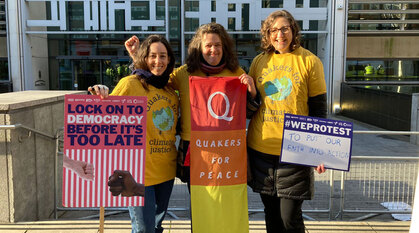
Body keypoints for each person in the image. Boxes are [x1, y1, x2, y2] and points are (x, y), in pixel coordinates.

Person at [124, 23, 247, 186]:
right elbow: (155, 79)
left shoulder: (236, 73)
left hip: (224, 147)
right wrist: (138, 58)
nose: (213, 50)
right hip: (194, 148)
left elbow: (249, 106)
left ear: (225, 47)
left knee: (224, 200)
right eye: (208, 45)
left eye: (218, 45)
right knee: (197, 200)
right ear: (199, 47)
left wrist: (252, 90)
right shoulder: (184, 73)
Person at [241, 10, 326, 233]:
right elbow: (252, 108)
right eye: (274, 30)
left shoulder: (310, 61)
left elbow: (318, 110)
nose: (280, 34)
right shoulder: (259, 62)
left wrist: (320, 151)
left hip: (295, 152)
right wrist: (251, 93)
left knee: (290, 219)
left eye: (284, 29)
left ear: (293, 31)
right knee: (271, 215)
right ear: (267, 35)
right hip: (261, 151)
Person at [90, 35, 179, 233]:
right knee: (143, 230)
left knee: (155, 227)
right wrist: (102, 95)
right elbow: (107, 116)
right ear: (144, 58)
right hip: (138, 173)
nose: (158, 61)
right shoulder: (130, 84)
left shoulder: (171, 92)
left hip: (166, 171)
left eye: (163, 56)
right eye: (153, 56)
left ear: (169, 60)